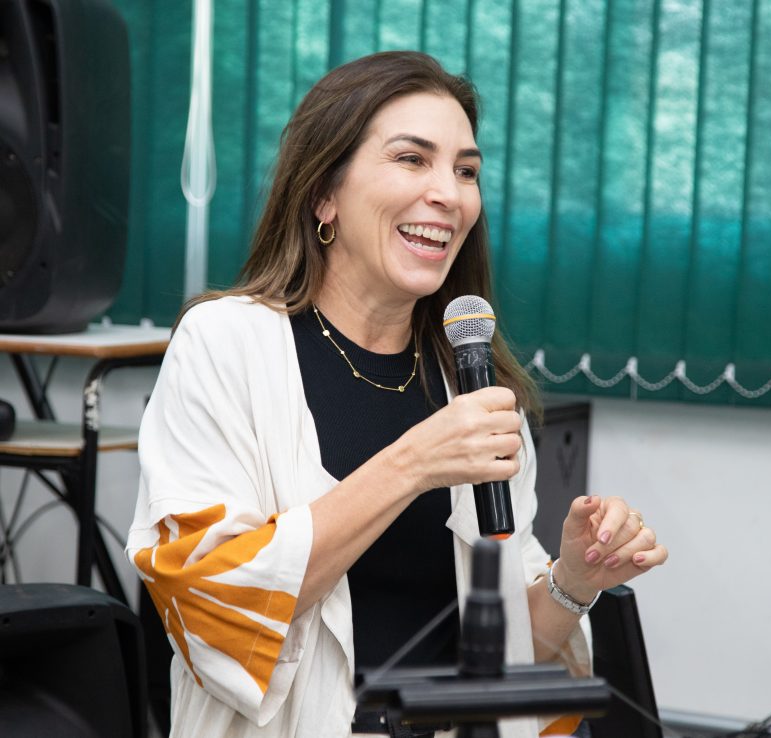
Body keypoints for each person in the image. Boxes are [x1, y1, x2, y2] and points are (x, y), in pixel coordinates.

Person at [127, 50, 668, 738]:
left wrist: (574, 578)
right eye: (413, 159)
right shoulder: (226, 343)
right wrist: (412, 464)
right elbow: (208, 598)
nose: (449, 193)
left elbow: (507, 658)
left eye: (466, 170)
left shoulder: (473, 380)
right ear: (324, 192)